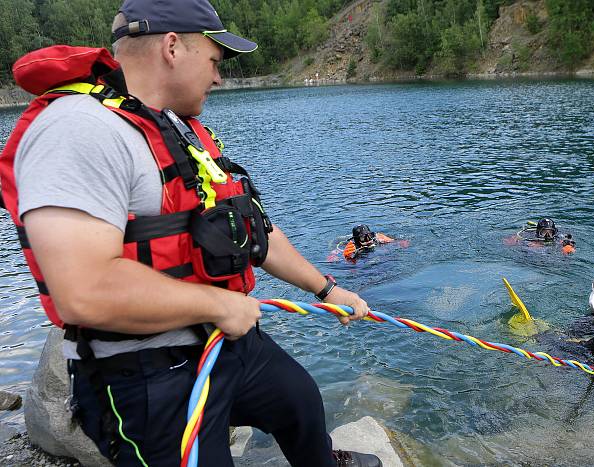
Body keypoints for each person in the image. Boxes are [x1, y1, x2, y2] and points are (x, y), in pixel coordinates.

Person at [0, 1, 381, 466]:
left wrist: (327, 288)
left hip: (226, 343)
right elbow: (84, 292)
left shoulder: (182, 131)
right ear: (173, 46)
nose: (219, 78)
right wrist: (220, 303)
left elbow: (252, 229)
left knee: (298, 399)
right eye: (215, 61)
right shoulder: (78, 130)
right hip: (146, 374)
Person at [329, 225, 402, 262]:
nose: (368, 240)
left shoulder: (377, 238)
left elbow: (396, 241)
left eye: (369, 236)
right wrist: (335, 257)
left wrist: (400, 243)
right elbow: (333, 255)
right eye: (363, 238)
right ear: (357, 240)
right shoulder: (350, 245)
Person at [504, 218, 576, 254]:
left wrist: (566, 246)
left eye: (550, 232)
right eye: (544, 232)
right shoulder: (529, 237)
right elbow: (509, 241)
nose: (547, 235)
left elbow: (568, 241)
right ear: (538, 232)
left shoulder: (558, 237)